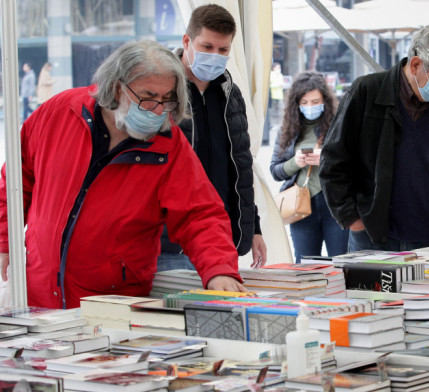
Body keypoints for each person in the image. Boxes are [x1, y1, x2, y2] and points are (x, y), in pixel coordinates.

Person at [0, 40, 246, 309]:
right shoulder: (59, 112)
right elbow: (13, 182)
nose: (158, 109)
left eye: (167, 99)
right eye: (148, 96)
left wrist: (219, 269)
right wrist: (3, 239)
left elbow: (199, 214)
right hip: (39, 296)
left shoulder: (168, 143)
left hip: (112, 304)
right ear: (117, 88)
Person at [320, 23, 429, 253]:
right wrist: (353, 219)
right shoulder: (366, 93)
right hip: (374, 237)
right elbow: (333, 162)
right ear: (416, 63)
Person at [159, 4, 267, 272]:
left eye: (223, 50)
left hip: (222, 239)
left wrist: (253, 227)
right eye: (207, 47)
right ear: (187, 41)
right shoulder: (160, 92)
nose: (215, 56)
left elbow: (241, 166)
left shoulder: (231, 94)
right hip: (172, 242)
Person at [270, 71, 349, 263]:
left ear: (325, 100)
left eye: (315, 102)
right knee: (305, 266)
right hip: (301, 205)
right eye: (304, 103)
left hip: (335, 204)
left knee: (341, 264)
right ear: (296, 104)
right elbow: (275, 170)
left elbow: (354, 163)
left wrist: (325, 159)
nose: (310, 107)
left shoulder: (339, 125)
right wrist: (295, 162)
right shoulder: (287, 130)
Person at [269, 62, 284, 128]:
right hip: (273, 95)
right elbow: (269, 85)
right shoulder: (271, 75)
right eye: (277, 67)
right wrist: (277, 85)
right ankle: (273, 123)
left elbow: (282, 84)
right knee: (273, 111)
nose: (279, 69)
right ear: (273, 68)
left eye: (279, 68)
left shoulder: (280, 75)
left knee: (281, 110)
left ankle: (281, 123)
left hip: (280, 95)